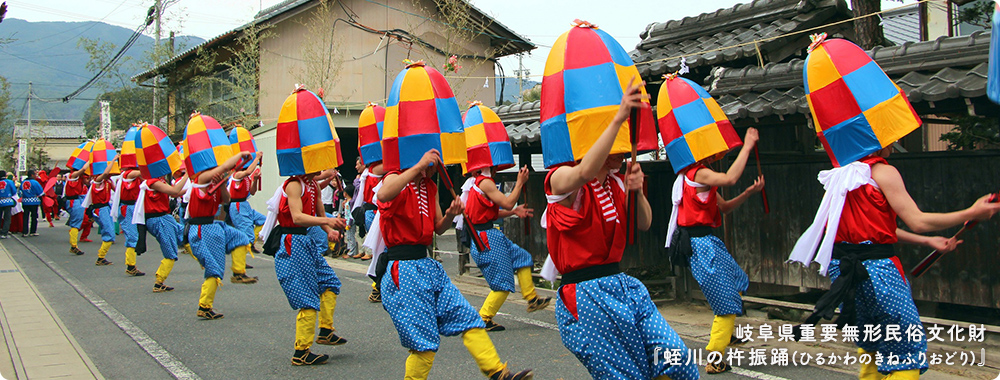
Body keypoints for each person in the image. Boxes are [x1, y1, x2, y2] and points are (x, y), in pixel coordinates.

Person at [543, 80, 698, 379]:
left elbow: (644, 223)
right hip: (585, 295)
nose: (624, 151)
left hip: (622, 285)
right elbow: (585, 171)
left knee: (676, 359)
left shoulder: (616, 181)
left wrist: (636, 191)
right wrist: (618, 116)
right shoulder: (562, 178)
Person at [187, 151, 254, 319]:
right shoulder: (201, 179)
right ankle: (204, 306)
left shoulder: (215, 181)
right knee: (214, 269)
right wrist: (240, 155)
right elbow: (225, 167)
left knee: (241, 238)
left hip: (214, 224)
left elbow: (226, 200)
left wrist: (223, 185)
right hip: (202, 228)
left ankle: (239, 273)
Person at [225, 154, 263, 283]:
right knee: (244, 233)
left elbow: (252, 192)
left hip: (245, 204)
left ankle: (250, 244)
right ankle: (241, 262)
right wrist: (257, 159)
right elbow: (248, 171)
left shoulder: (246, 177)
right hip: (237, 205)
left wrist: (256, 179)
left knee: (263, 220)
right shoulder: (236, 175)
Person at [83, 161, 118, 266]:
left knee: (109, 232)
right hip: (100, 209)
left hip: (106, 207)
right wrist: (113, 161)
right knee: (109, 233)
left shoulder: (107, 181)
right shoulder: (97, 180)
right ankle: (101, 257)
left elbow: (116, 190)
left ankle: (101, 256)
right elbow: (105, 174)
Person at [65, 165, 89, 254]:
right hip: (73, 200)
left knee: (78, 222)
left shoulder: (79, 177)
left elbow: (88, 183)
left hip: (77, 200)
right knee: (76, 223)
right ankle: (73, 245)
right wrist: (89, 160)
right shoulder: (73, 175)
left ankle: (74, 244)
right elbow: (82, 169)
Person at [19, 170, 43, 237]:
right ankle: (33, 231)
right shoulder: (35, 182)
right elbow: (40, 192)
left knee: (25, 216)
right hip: (34, 201)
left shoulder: (23, 182)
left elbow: (20, 192)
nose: (36, 176)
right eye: (35, 174)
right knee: (34, 216)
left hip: (25, 201)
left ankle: (25, 232)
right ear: (32, 175)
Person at [0, 170, 15, 239]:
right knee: (7, 218)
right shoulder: (9, 182)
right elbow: (14, 191)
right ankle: (4, 233)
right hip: (7, 201)